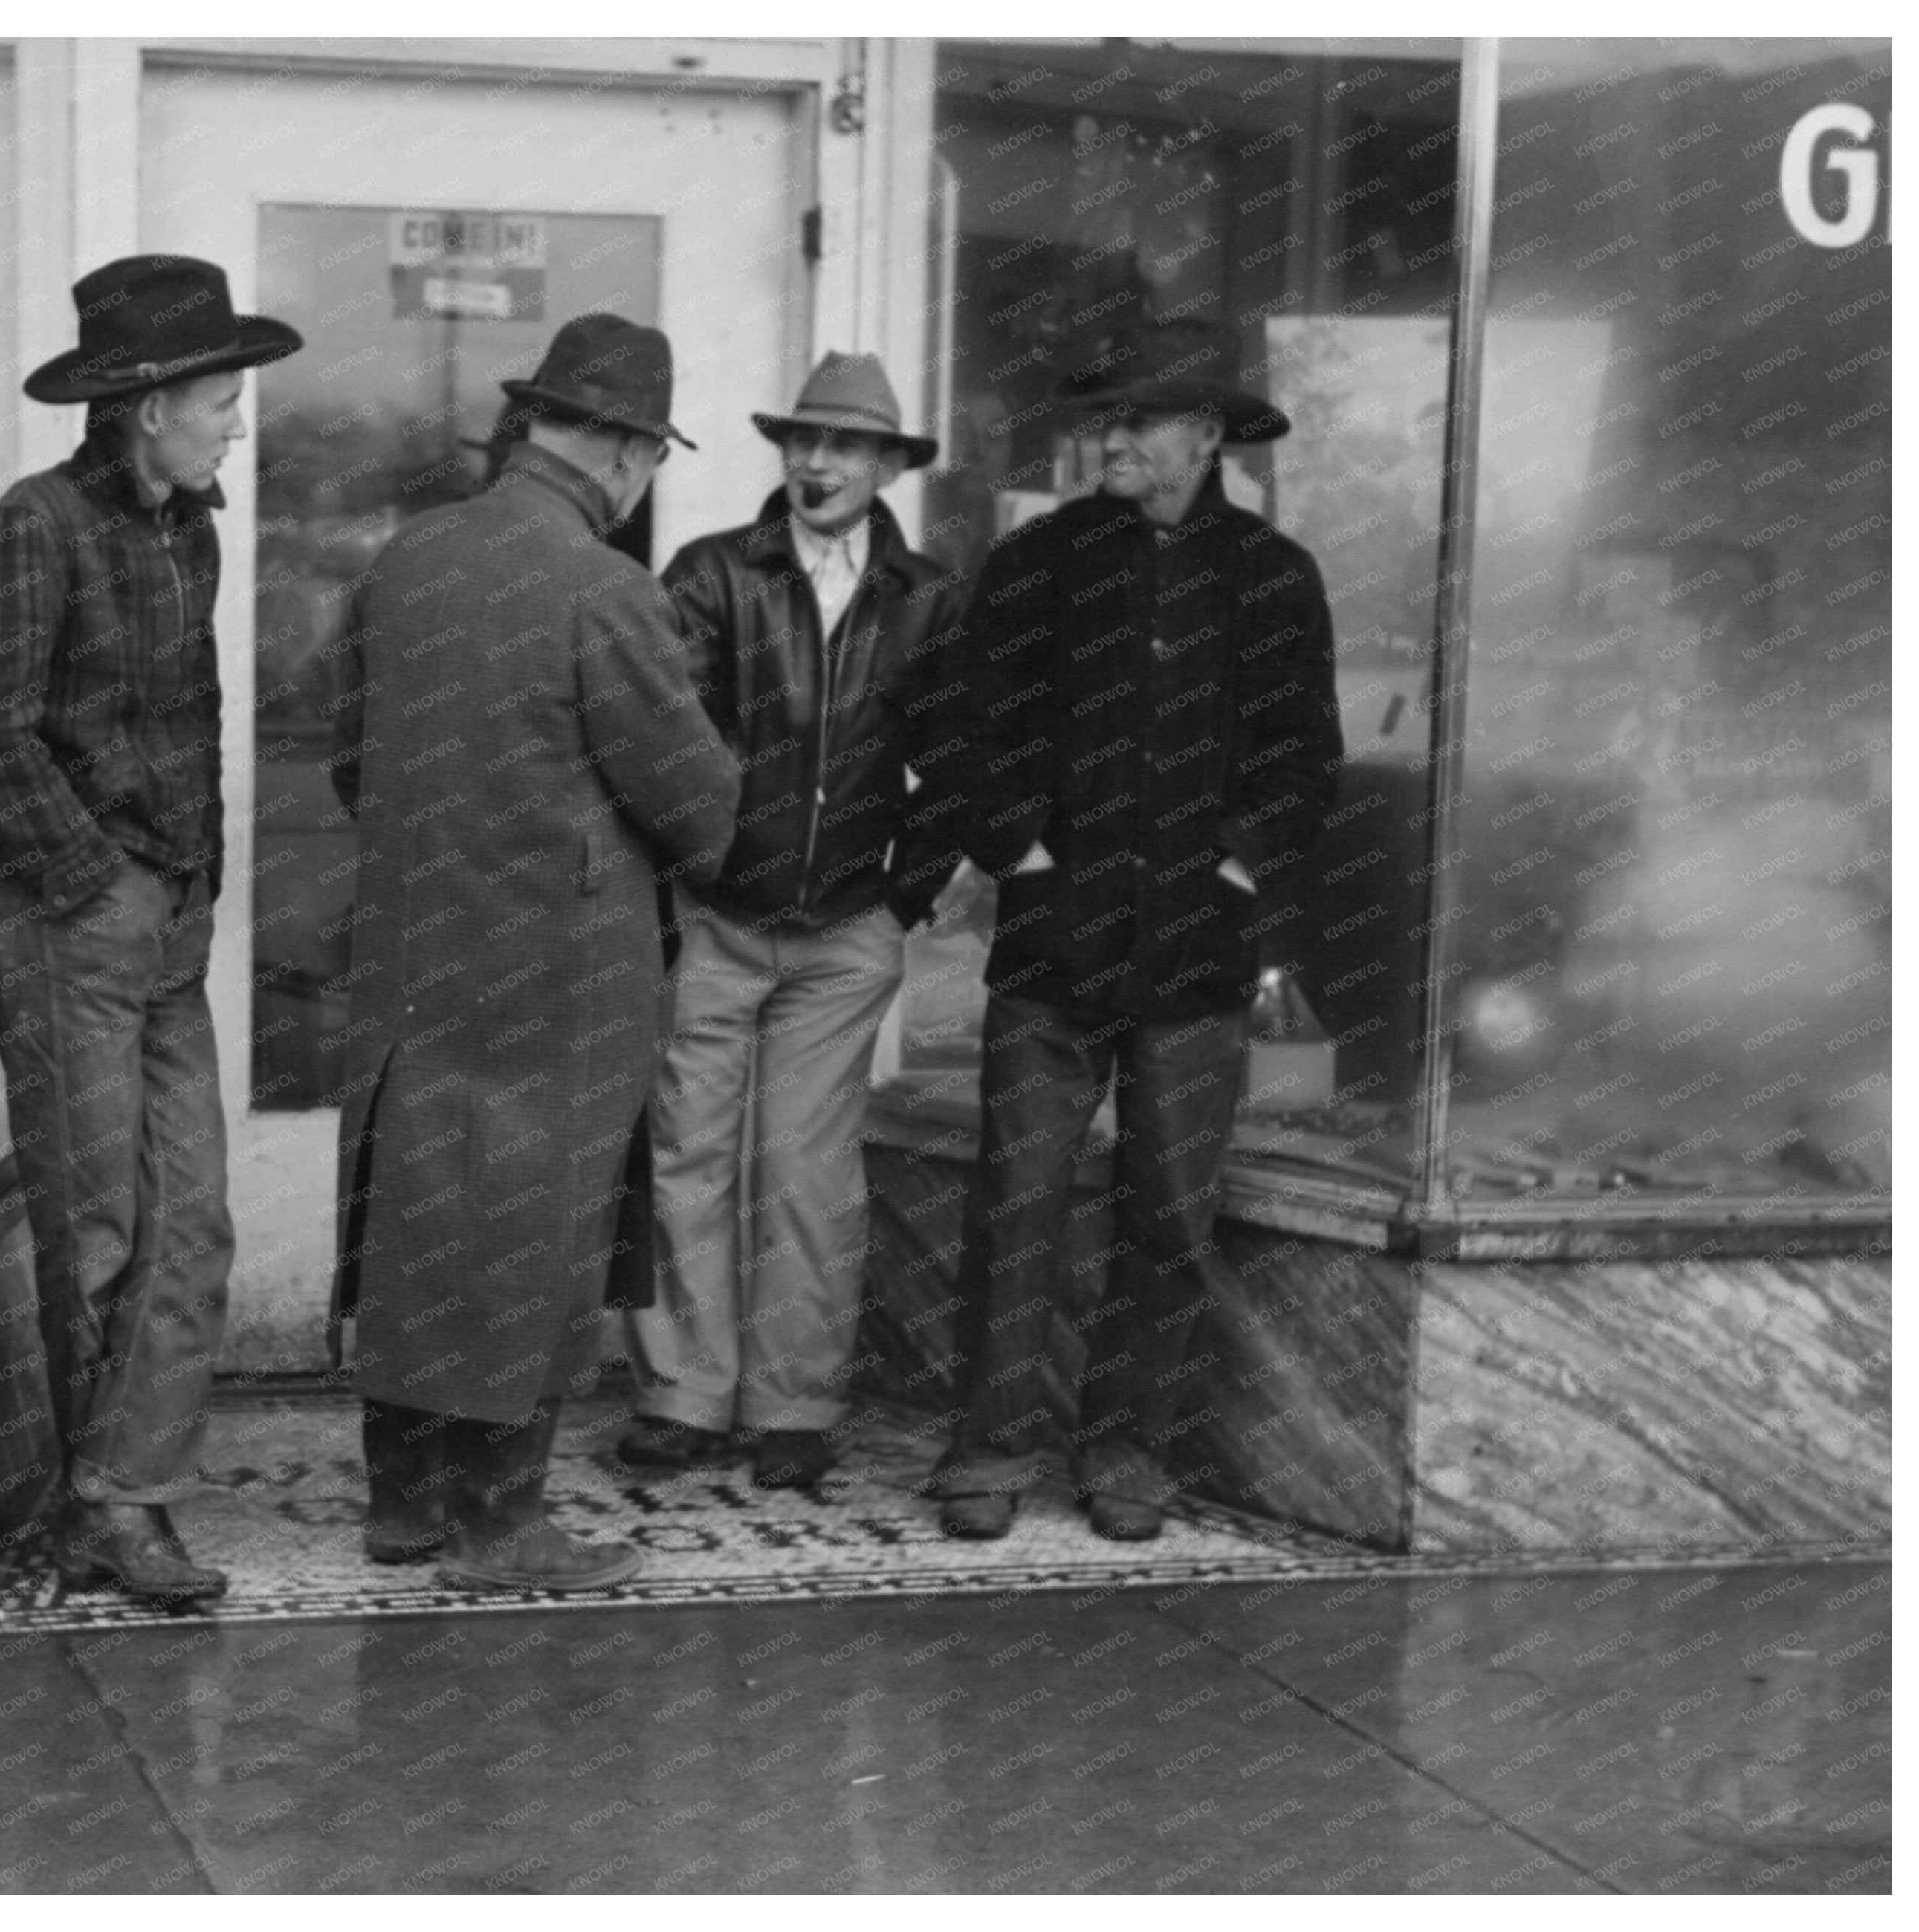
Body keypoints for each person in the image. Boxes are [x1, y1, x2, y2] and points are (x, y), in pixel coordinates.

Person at [910, 315, 1342, 1541]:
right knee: (1019, 1203)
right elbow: (962, 725)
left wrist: (1239, 870)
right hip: (1053, 949)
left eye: (1138, 420)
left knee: (1169, 1216)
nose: (1111, 439)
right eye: (1104, 419)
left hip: (1194, 960)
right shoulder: (1038, 562)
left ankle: (1128, 1451)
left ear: (1205, 437)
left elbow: (1308, 763)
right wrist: (1017, 850)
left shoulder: (1273, 576)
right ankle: (989, 1448)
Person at [330, 314, 741, 1593]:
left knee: (414, 1209)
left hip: (414, 952)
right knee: (535, 1230)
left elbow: (351, 762)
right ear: (624, 451)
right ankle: (504, 1527)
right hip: (560, 974)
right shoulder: (604, 589)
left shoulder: (408, 560)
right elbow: (701, 814)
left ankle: (403, 1503)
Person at [0, 256, 301, 1604]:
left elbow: (187, 729)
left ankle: (117, 1493)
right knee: (97, 1227)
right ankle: (95, 1509)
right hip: (65, 922)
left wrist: (189, 889)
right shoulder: (38, 524)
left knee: (193, 1221)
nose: (236, 421)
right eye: (219, 397)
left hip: (163, 925)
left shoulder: (186, 528)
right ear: (146, 404)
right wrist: (92, 878)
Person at [620, 353, 963, 1491]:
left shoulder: (926, 596)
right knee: (691, 1155)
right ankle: (682, 1396)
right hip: (718, 918)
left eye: (847, 447)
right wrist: (701, 869)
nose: (818, 464)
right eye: (803, 443)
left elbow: (960, 759)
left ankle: (795, 1405)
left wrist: (903, 892)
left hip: (846, 930)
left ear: (886, 466)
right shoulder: (714, 576)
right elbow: (668, 740)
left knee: (808, 1171)